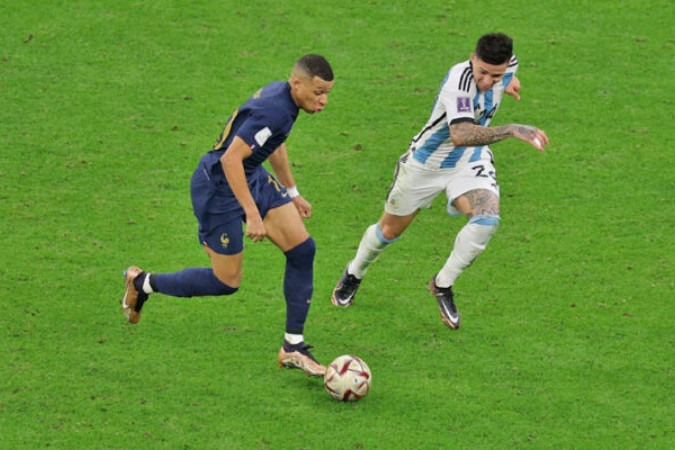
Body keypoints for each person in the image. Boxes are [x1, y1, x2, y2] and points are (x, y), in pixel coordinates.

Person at [121, 54, 335, 376]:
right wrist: (252, 214)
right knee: (226, 281)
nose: (324, 100)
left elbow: (275, 142)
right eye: (319, 92)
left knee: (303, 250)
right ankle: (142, 282)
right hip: (219, 188)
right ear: (297, 83)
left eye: (328, 93)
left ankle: (292, 346)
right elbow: (230, 160)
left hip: (249, 176)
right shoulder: (276, 108)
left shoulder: (287, 102)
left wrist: (291, 193)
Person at [332, 33, 549, 330]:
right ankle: (354, 273)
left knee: (487, 218)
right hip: (426, 165)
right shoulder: (458, 83)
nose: (486, 81)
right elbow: (460, 134)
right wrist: (511, 129)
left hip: (470, 160)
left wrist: (508, 82)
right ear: (472, 58)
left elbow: (509, 72)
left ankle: (442, 284)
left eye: (495, 75)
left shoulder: (508, 65)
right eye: (482, 72)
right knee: (389, 230)